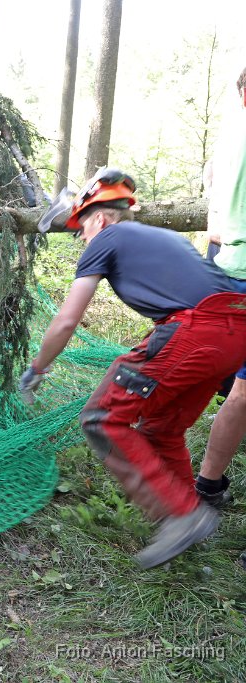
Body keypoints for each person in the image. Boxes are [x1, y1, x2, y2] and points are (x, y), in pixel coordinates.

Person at [20, 168, 246, 569]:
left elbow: (67, 320)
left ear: (101, 218)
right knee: (163, 428)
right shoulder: (163, 237)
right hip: (235, 332)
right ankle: (191, 521)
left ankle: (181, 515)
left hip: (194, 330)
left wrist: (38, 367)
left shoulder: (105, 238)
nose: (83, 240)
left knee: (102, 418)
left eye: (81, 230)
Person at [194, 66, 246, 510]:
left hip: (225, 267)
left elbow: (214, 215)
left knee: (235, 388)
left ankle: (209, 484)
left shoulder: (229, 140)